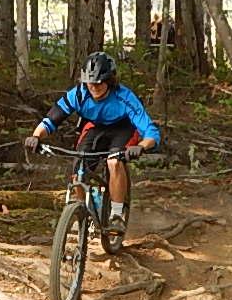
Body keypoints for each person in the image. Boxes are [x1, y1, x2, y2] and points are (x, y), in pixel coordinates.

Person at [24, 51, 160, 235]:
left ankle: (117, 215)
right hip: (95, 128)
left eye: (99, 82)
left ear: (110, 81)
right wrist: (36, 136)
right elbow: (52, 117)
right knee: (78, 166)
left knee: (114, 161)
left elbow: (151, 131)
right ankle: (82, 211)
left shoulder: (125, 97)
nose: (94, 87)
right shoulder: (79, 94)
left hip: (123, 129)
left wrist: (141, 146)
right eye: (90, 82)